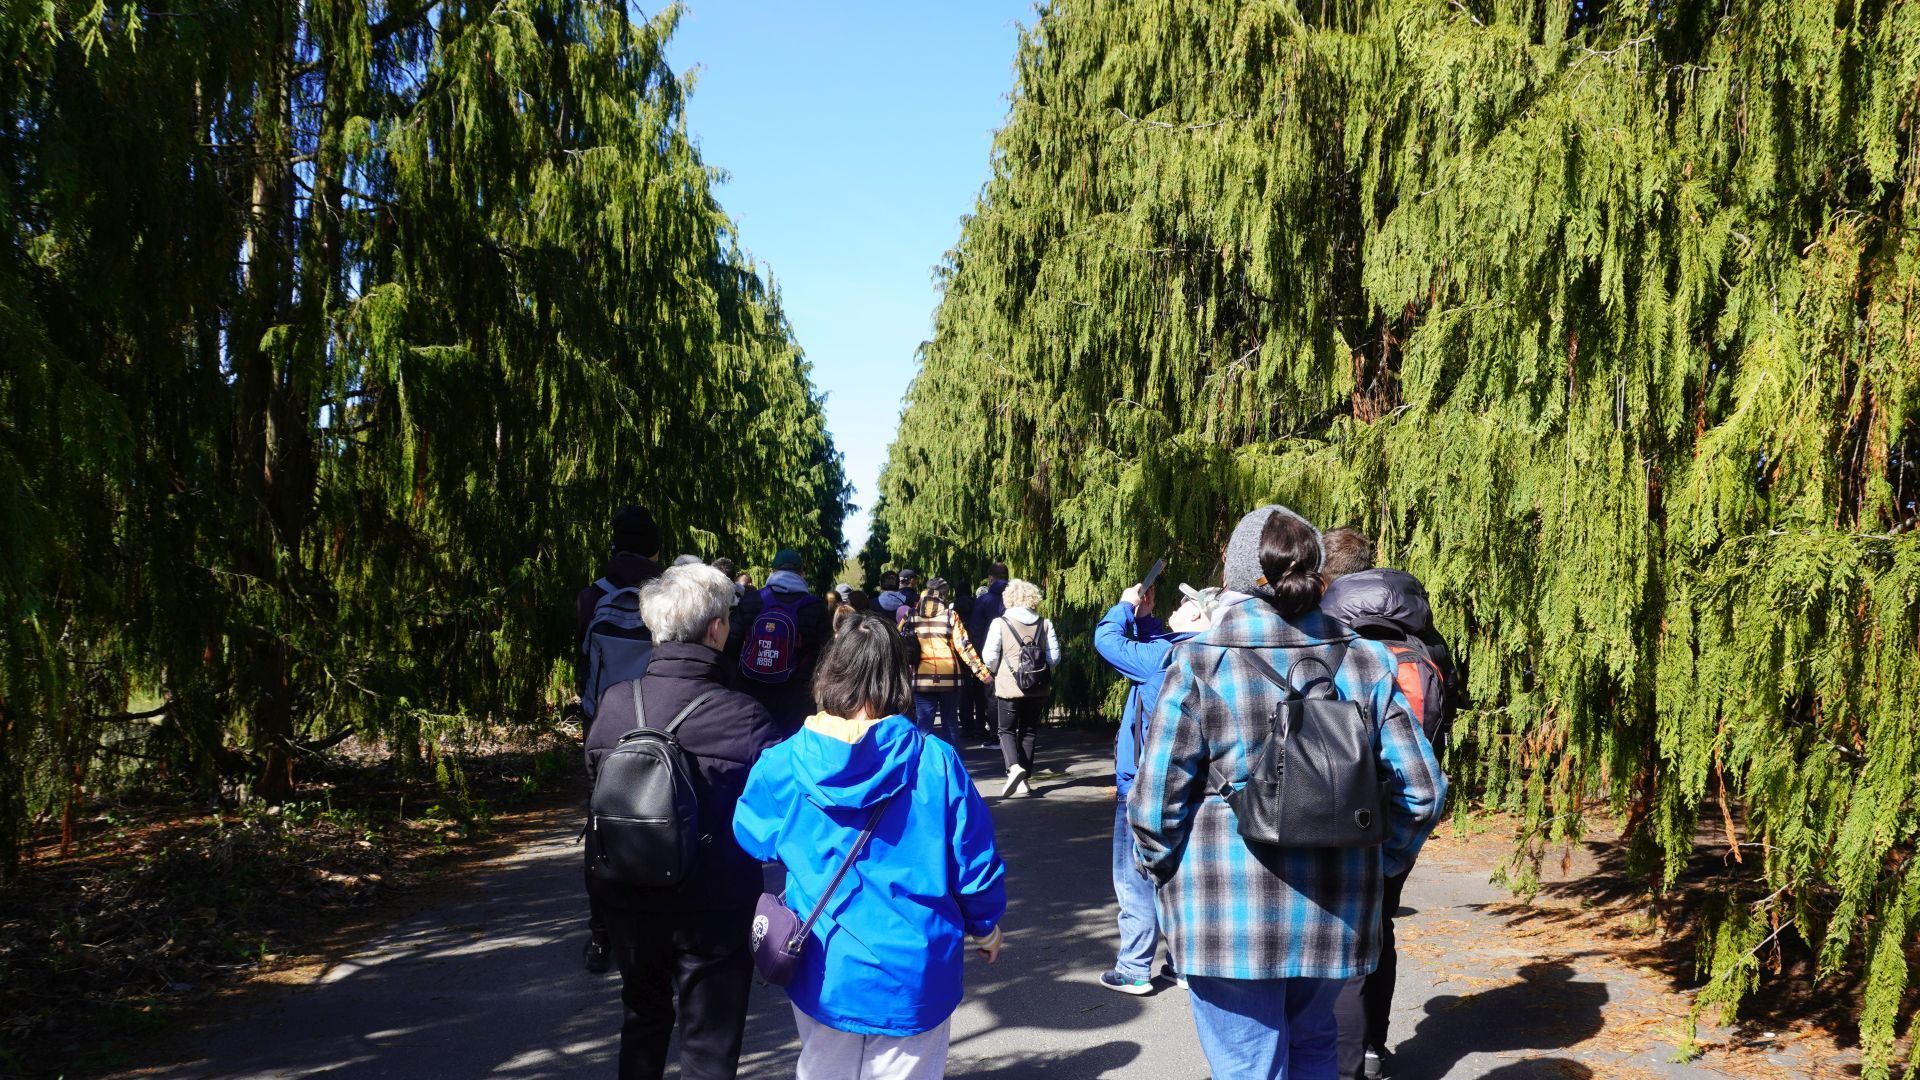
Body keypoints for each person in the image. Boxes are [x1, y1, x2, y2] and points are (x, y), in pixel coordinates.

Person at [1130, 505, 1446, 1080]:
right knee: (1315, 1054)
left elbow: (1155, 807)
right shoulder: (1366, 660)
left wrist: (1164, 873)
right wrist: (1376, 866)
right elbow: (1421, 792)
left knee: (1248, 1068)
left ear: (1234, 577)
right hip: (1336, 910)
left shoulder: (1200, 663)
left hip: (1223, 914)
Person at [734, 612, 1008, 1080]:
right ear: (897, 680)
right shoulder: (935, 762)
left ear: (830, 673)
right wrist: (985, 926)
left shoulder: (784, 761)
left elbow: (752, 835)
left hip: (822, 961)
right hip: (914, 969)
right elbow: (974, 862)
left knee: (822, 1070)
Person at [584, 563, 783, 1080]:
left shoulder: (614, 705)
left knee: (642, 1021)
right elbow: (777, 810)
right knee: (708, 1049)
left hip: (628, 894)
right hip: (714, 906)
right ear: (716, 629)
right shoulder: (743, 716)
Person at [1318, 527, 1458, 1080]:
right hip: (1402, 811)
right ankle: (1374, 1045)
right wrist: (1398, 852)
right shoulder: (1423, 635)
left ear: (1327, 578)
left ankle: (1344, 1061)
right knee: (1382, 928)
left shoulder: (1334, 639)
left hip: (1338, 815)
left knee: (1342, 940)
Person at [1091, 580, 1219, 994]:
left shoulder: (1161, 658)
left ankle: (1133, 967)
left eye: (1184, 605)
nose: (1174, 609)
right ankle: (1181, 964)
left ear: (1199, 615)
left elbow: (1107, 640)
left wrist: (1126, 607)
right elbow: (1162, 642)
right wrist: (1145, 620)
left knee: (1135, 879)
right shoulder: (1213, 654)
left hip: (1143, 785)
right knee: (1178, 877)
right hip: (1196, 786)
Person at [574, 505, 665, 974]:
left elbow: (584, 671)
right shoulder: (663, 596)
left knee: (601, 830)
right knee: (664, 820)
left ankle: (600, 935)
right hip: (659, 725)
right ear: (654, 548)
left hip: (603, 730)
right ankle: (661, 926)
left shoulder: (593, 597)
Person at [729, 548, 830, 735]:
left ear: (772, 572)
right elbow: (825, 655)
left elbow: (731, 646)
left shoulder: (751, 600)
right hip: (795, 697)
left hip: (752, 692)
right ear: (801, 573)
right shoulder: (815, 606)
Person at [980, 578, 1060, 797]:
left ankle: (1014, 767)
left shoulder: (1000, 623)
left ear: (1009, 598)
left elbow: (989, 657)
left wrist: (998, 671)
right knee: (1029, 731)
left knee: (1006, 729)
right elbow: (1054, 658)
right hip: (1038, 686)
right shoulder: (1045, 623)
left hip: (1009, 685)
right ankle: (1024, 781)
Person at [902, 579, 992, 745]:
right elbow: (964, 647)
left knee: (924, 726)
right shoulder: (951, 616)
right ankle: (951, 764)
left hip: (922, 679)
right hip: (950, 678)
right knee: (950, 725)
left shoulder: (911, 616)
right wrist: (982, 673)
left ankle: (924, 766)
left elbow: (898, 642)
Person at [961, 563, 1010, 747]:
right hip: (1014, 654)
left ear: (991, 578)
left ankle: (997, 735)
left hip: (989, 654)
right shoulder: (1016, 597)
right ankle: (1012, 733)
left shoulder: (983, 601)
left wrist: (977, 660)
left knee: (992, 695)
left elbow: (975, 630)